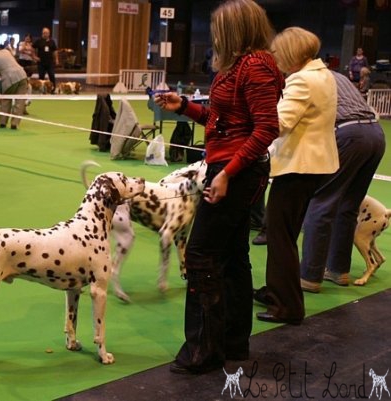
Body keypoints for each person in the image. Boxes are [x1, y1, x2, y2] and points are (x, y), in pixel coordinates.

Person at [154, 0, 284, 374]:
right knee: (231, 257)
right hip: (229, 165)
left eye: (219, 29)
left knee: (200, 255)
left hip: (236, 170)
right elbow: (222, 121)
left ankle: (203, 351)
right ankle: (231, 344)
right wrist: (185, 108)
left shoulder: (255, 65)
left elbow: (266, 129)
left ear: (235, 30)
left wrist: (227, 174)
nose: (214, 35)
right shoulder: (239, 66)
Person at [254, 27, 339, 325]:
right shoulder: (323, 74)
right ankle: (278, 291)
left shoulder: (302, 80)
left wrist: (252, 117)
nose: (276, 58)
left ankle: (286, 306)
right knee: (284, 234)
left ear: (290, 52)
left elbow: (278, 123)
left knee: (279, 236)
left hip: (298, 166)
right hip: (313, 165)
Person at [299, 71, 385, 293]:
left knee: (320, 204)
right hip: (375, 134)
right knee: (347, 206)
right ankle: (338, 271)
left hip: (349, 134)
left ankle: (309, 276)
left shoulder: (302, 78)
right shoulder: (337, 75)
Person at [0, 44, 29, 129]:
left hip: (9, 79)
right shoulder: (7, 51)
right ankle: (15, 124)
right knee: (20, 101)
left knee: (6, 100)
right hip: (22, 75)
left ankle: (3, 123)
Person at [33, 27, 58, 92]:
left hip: (50, 62)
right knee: (41, 77)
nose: (45, 34)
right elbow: (32, 48)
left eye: (46, 33)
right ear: (42, 33)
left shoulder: (52, 41)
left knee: (52, 75)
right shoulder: (39, 41)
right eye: (44, 33)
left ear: (49, 34)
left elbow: (55, 51)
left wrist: (57, 59)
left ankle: (53, 90)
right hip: (41, 62)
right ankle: (41, 90)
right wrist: (34, 56)